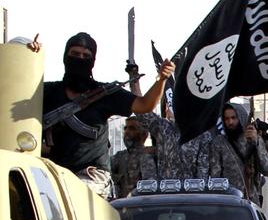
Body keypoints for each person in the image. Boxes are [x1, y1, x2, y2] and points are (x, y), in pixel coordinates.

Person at [38, 32, 175, 197]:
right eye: (75, 54)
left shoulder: (105, 94)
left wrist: (161, 80)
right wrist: (29, 55)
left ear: (92, 61)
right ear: (65, 57)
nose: (80, 59)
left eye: (85, 55)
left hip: (92, 175)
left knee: (73, 196)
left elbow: (144, 104)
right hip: (54, 173)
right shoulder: (48, 92)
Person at [208, 103, 268, 204]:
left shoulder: (255, 140)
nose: (230, 122)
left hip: (250, 202)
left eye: (234, 118)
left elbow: (267, 169)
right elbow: (215, 176)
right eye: (227, 119)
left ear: (241, 117)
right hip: (228, 202)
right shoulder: (219, 142)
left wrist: (256, 143)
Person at [111, 116, 155, 198]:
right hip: (121, 206)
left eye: (132, 128)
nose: (127, 131)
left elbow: (149, 186)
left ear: (144, 135)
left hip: (140, 205)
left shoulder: (149, 156)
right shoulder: (119, 157)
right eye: (125, 128)